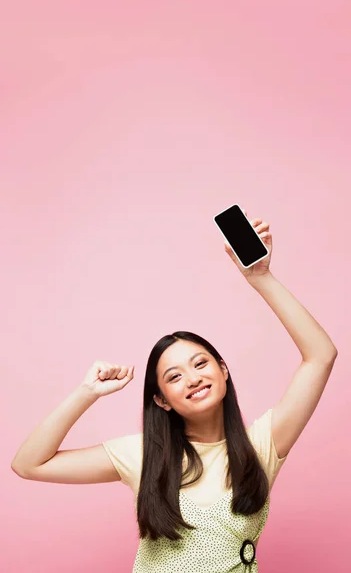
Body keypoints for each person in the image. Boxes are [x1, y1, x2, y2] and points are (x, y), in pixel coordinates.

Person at [11, 215, 338, 572]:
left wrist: (261, 278)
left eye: (200, 364)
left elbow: (321, 356)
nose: (193, 378)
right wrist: (87, 393)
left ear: (223, 370)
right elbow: (29, 464)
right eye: (174, 376)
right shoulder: (143, 454)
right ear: (161, 399)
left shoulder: (262, 446)